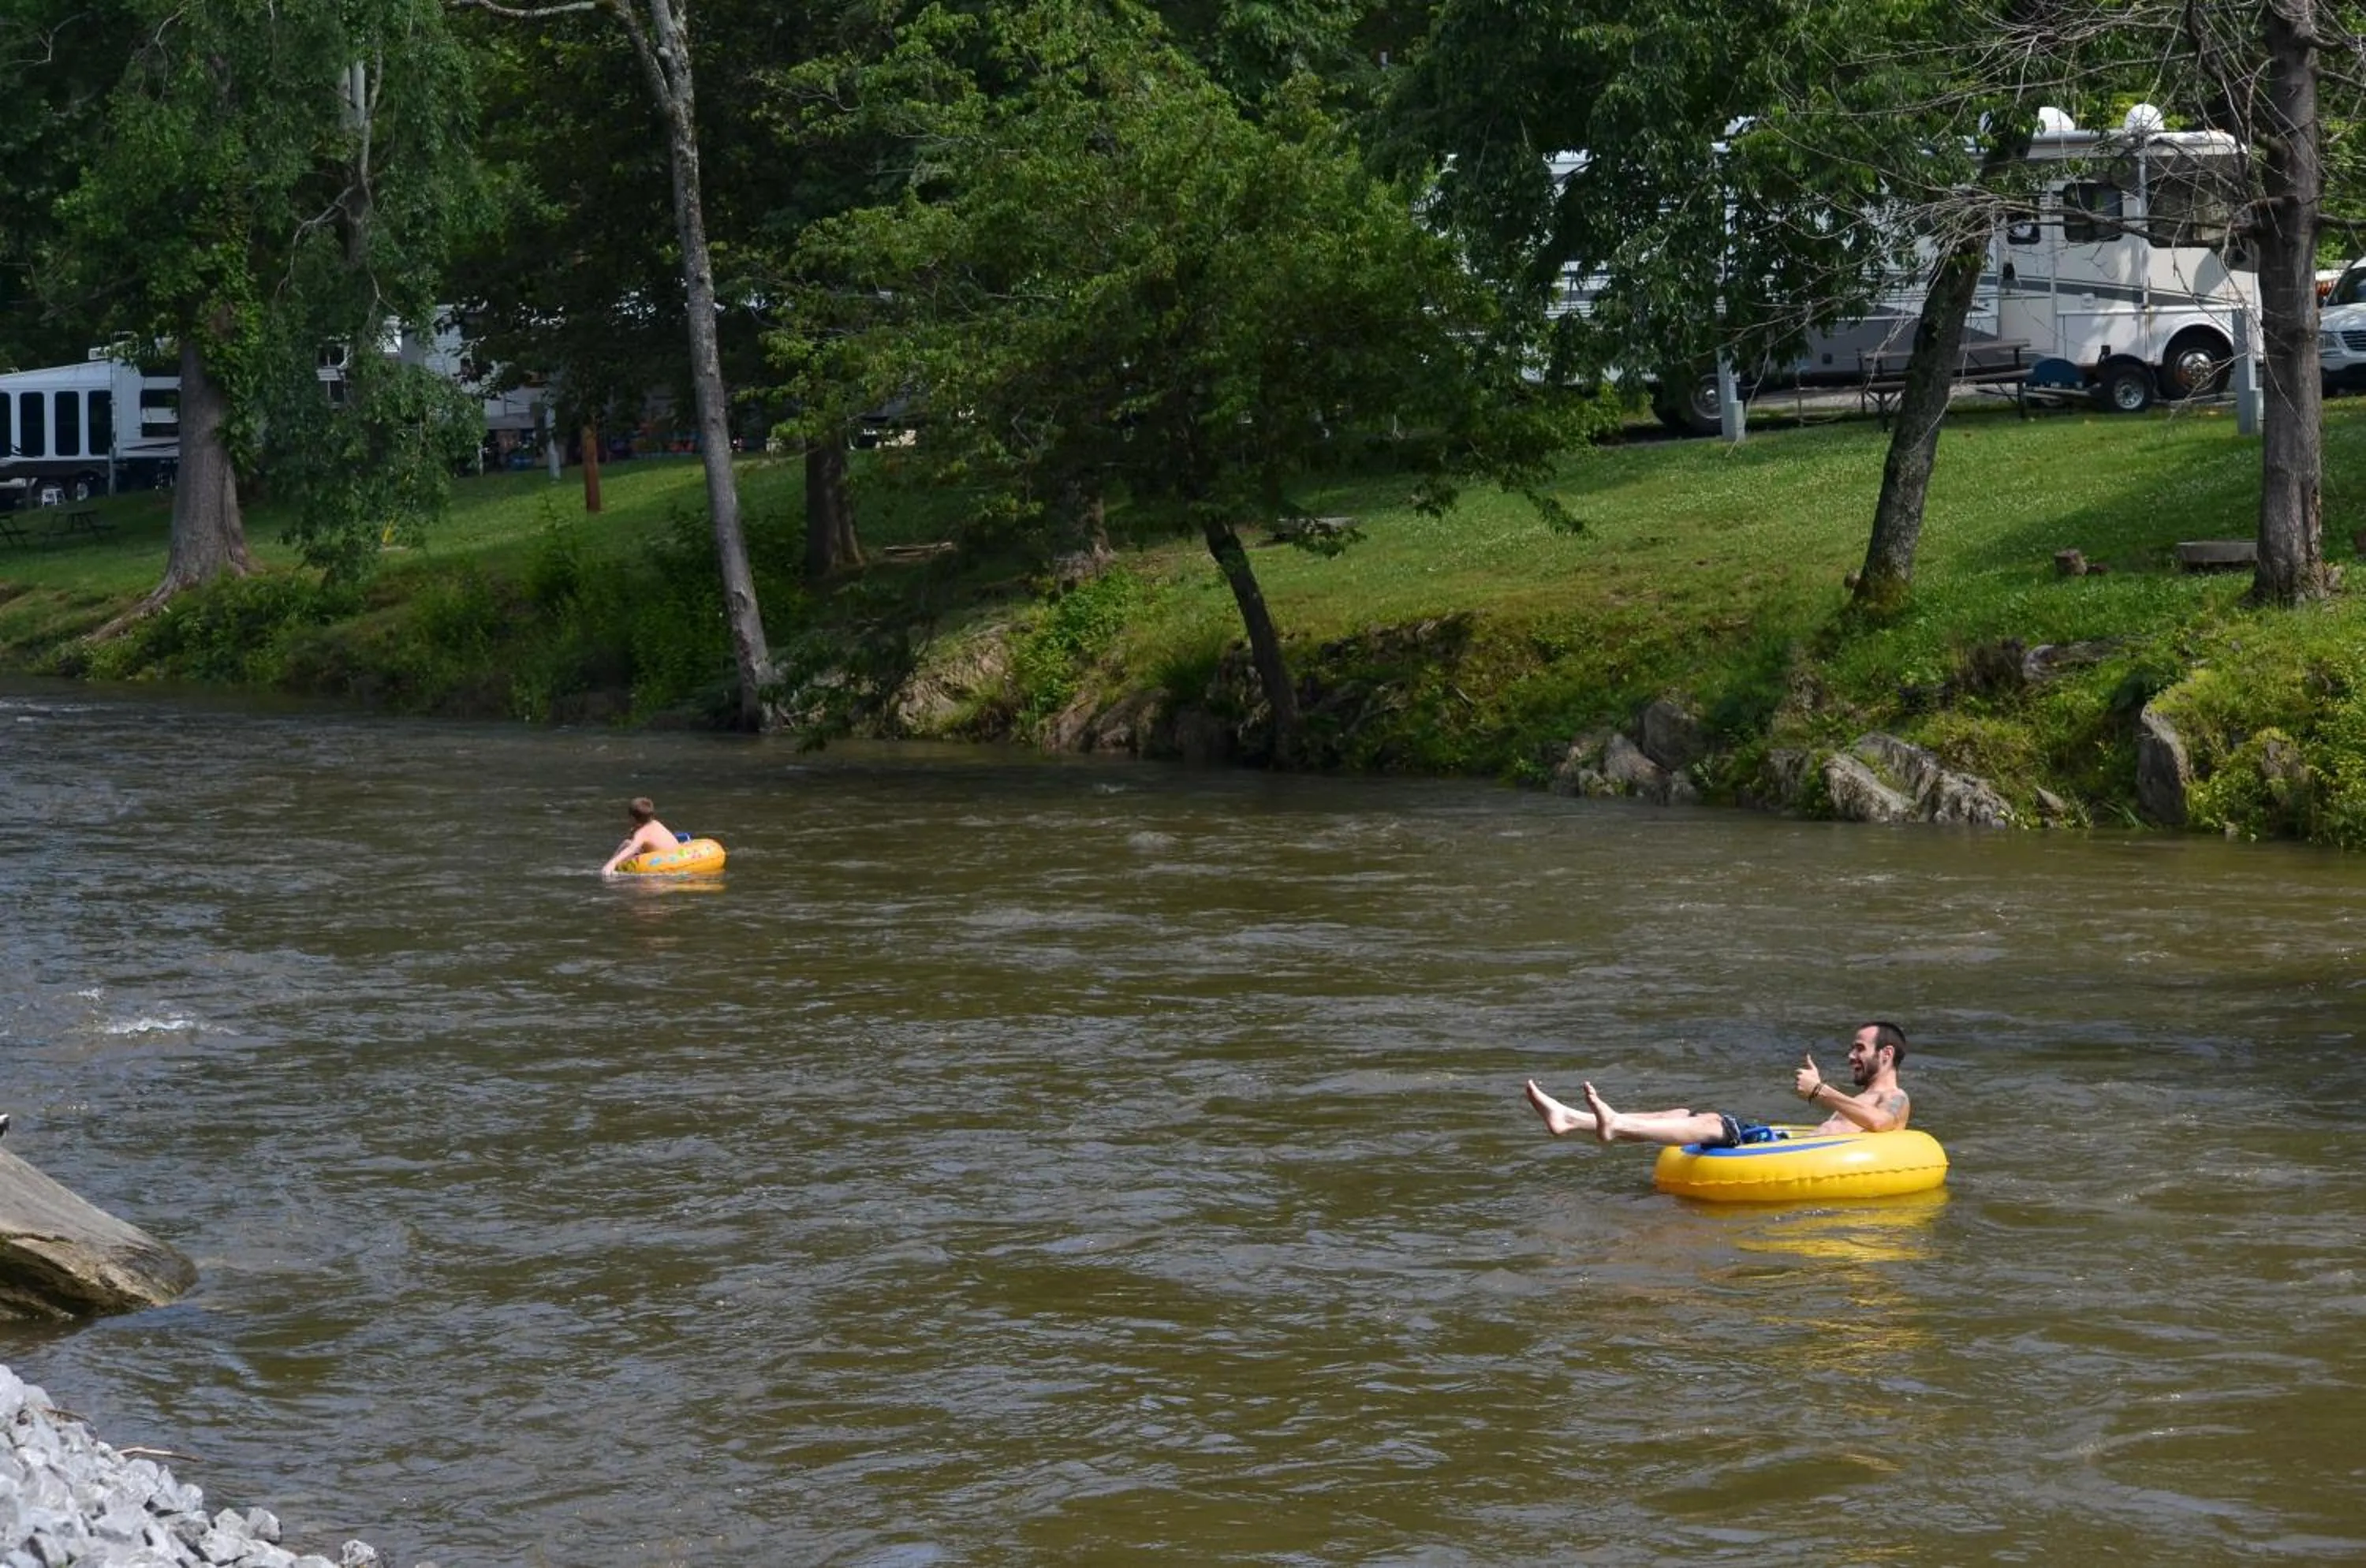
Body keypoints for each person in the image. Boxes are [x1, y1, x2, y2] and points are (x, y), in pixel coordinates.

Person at [1524, 1022, 1912, 1149]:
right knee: (1681, 1115)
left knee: (1716, 1124)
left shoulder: (1896, 1098)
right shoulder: (1864, 1096)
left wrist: (1819, 1091)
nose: (1850, 1056)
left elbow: (1881, 1124)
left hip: (1790, 1155)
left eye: (1859, 1049)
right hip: (1788, 1144)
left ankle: (1610, 1123)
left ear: (1887, 1055)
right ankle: (1571, 1119)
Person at [600, 797, 679, 875]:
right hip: (680, 858)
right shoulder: (657, 824)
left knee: (626, 845)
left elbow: (632, 849)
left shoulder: (642, 833)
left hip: (664, 864)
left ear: (632, 818)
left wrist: (612, 864)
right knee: (628, 843)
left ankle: (609, 863)